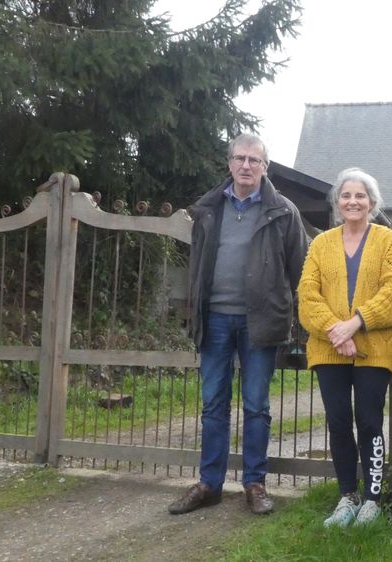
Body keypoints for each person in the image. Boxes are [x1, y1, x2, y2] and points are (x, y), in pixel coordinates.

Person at [169, 133, 307, 516]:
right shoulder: (209, 209)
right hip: (214, 319)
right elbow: (198, 264)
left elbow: (299, 271)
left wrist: (295, 316)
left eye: (254, 160)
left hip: (260, 322)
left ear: (266, 167)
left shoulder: (284, 212)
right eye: (240, 158)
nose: (246, 165)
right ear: (229, 163)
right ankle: (209, 484)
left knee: (256, 405)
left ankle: (254, 484)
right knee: (213, 403)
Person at [297, 168, 392, 527]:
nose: (353, 201)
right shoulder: (320, 244)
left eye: (360, 195)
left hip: (375, 348)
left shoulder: (388, 241)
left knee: (368, 419)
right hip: (329, 348)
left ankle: (372, 499)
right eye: (346, 195)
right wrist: (337, 333)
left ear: (373, 203)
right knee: (338, 420)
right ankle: (347, 495)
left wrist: (355, 323)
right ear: (337, 203)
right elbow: (307, 296)